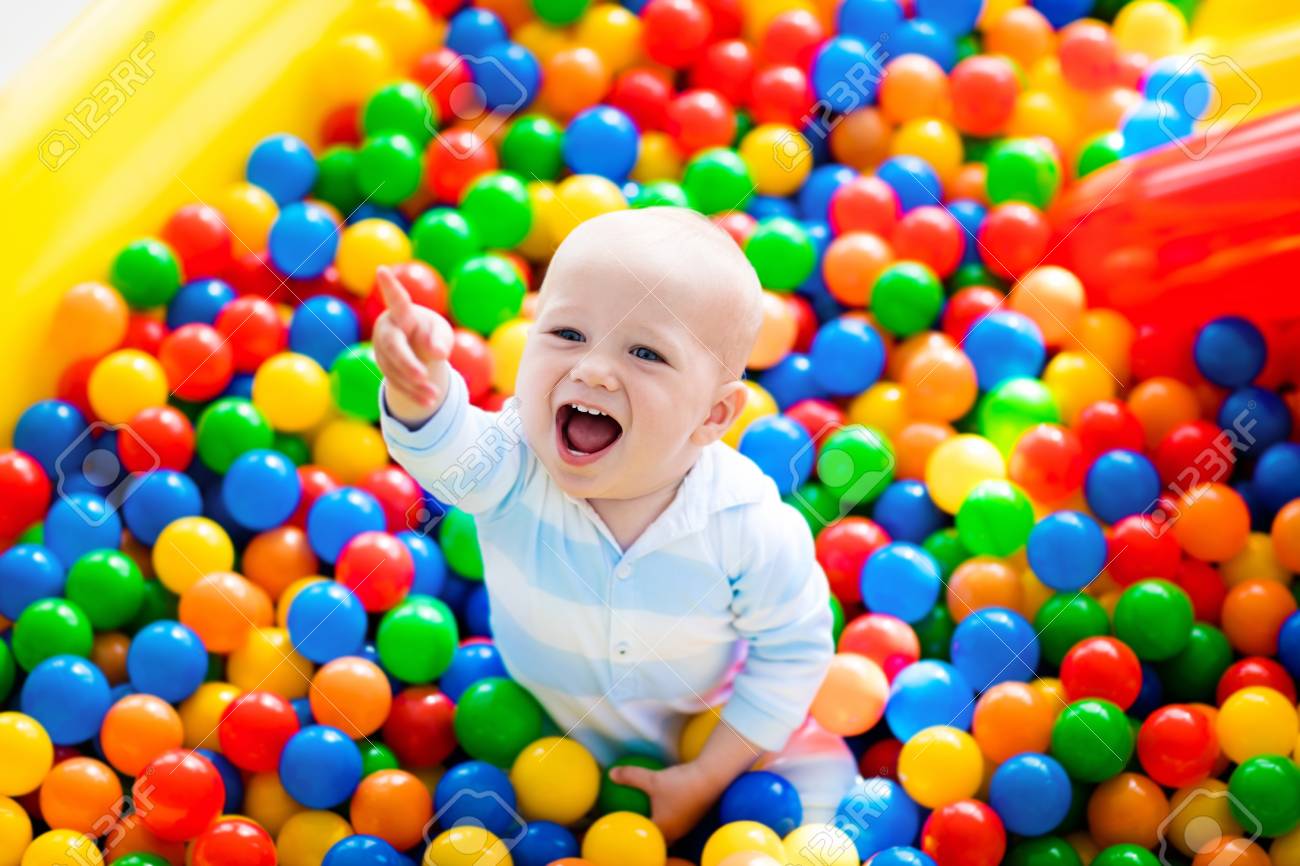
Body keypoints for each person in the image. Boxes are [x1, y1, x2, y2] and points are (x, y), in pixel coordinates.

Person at [376, 206, 856, 837]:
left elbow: (793, 650)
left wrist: (709, 775)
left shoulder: (744, 522)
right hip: (540, 729)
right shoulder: (515, 460)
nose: (594, 369)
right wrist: (423, 394)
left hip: (707, 724)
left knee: (825, 792)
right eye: (568, 335)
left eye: (645, 352)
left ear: (714, 415)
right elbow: (448, 453)